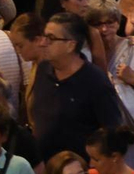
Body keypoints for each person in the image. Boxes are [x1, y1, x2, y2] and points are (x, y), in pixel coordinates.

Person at [30, 15, 122, 164]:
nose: (42, 43)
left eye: (50, 38)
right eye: (43, 36)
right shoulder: (43, 70)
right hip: (45, 171)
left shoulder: (95, 81)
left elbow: (112, 133)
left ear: (71, 45)